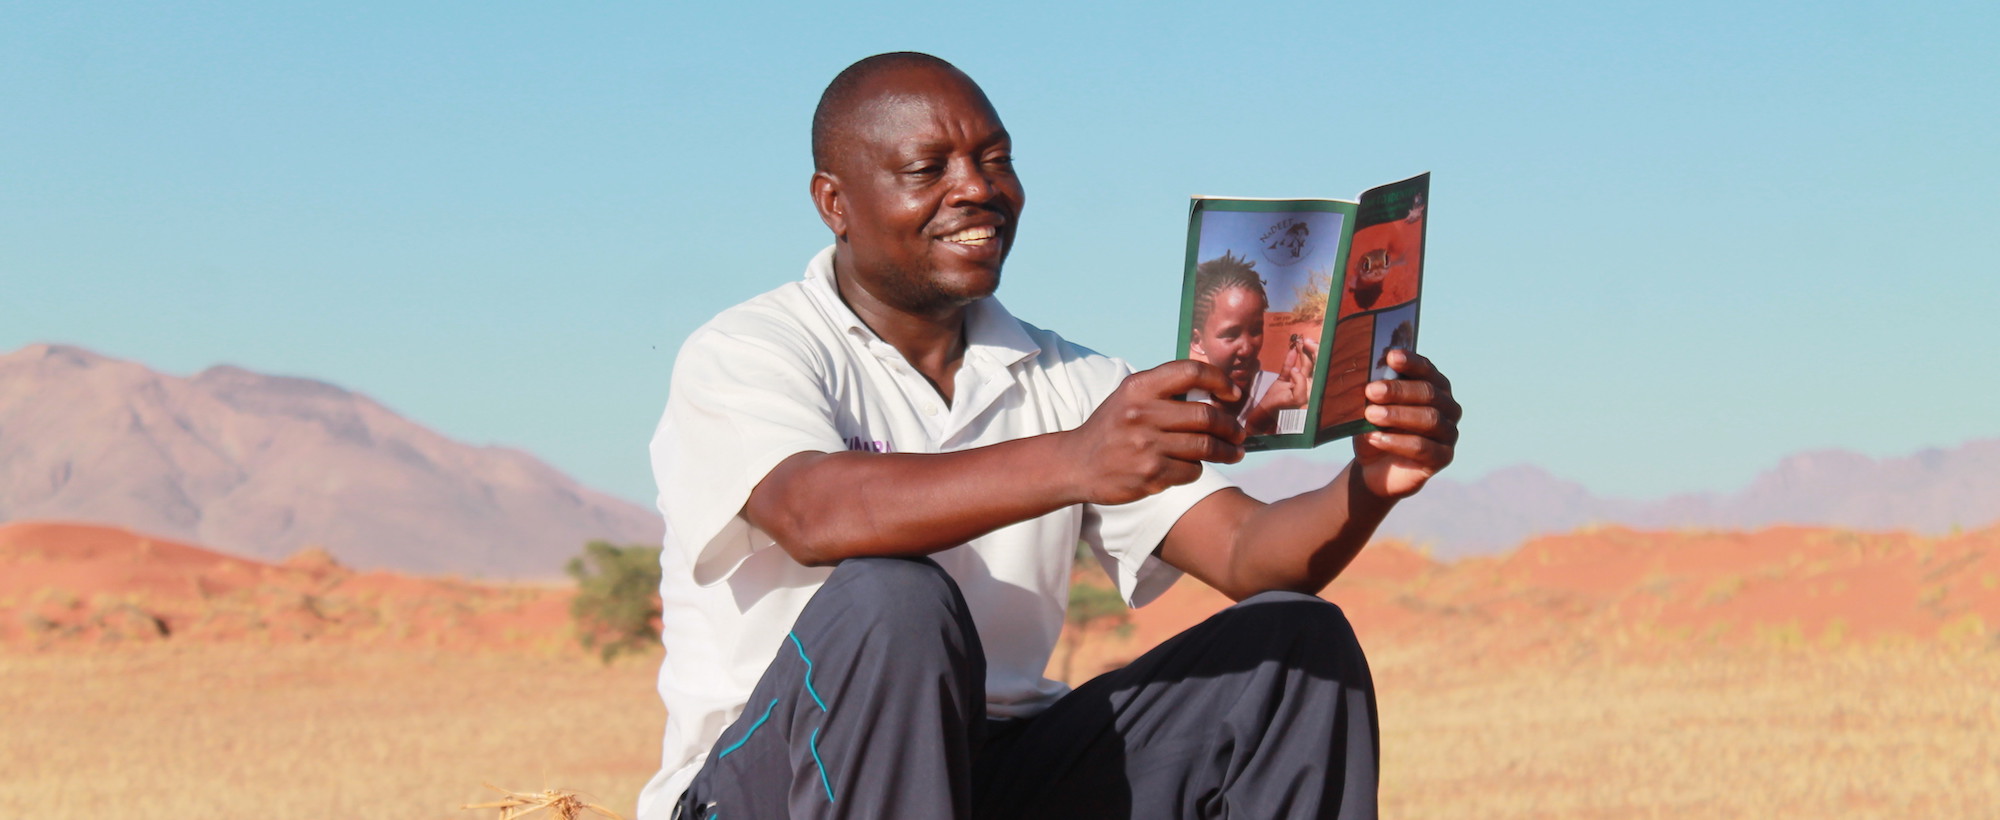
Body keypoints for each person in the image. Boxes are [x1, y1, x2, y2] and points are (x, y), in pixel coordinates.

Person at [639, 52, 1461, 820]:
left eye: (995, 160)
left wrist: (1371, 482)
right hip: (765, 785)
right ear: (834, 204)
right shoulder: (750, 349)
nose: (976, 189)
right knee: (894, 598)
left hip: (994, 775)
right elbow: (813, 514)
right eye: (929, 170)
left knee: (1296, 643)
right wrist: (1076, 460)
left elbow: (1250, 553)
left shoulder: (1073, 378)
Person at [1185, 251, 1314, 435]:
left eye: (1255, 331)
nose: (1246, 349)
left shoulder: (1283, 392)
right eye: (1230, 335)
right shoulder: (1183, 405)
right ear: (1197, 341)